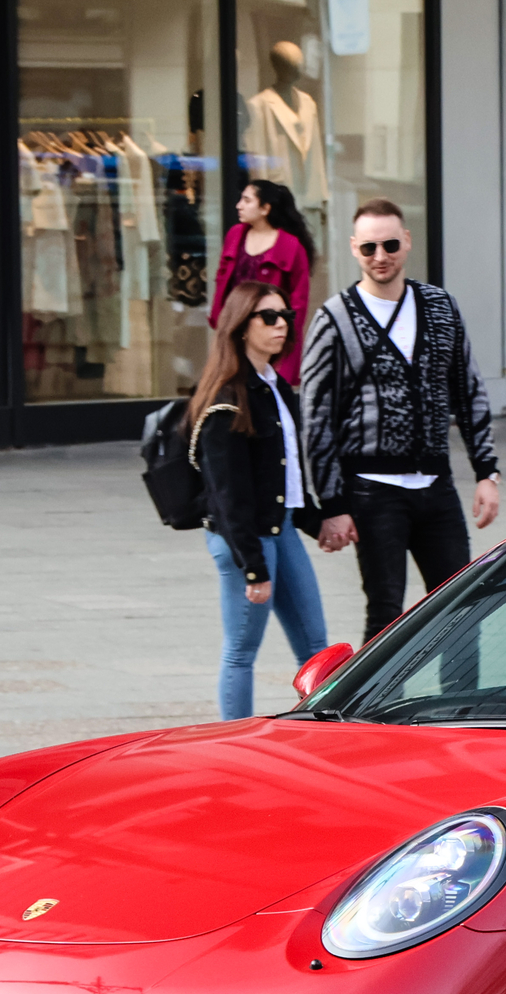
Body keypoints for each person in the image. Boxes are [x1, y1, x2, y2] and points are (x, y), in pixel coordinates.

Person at [299, 199, 502, 645]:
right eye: (369, 247)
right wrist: (332, 503)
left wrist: (486, 471)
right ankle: (372, 714)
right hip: (372, 492)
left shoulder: (439, 306)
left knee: (461, 610)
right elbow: (314, 418)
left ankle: (460, 712)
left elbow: (467, 389)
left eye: (390, 244)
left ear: (407, 242)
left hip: (436, 487)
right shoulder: (334, 319)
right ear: (354, 249)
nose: (380, 256)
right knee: (386, 612)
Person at [191, 281, 328, 720]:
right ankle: (232, 741)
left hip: (281, 529)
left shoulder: (276, 386)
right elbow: (228, 495)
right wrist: (253, 566)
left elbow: (284, 475)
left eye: (285, 316)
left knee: (316, 646)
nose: (281, 325)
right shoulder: (227, 397)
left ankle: (333, 735)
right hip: (246, 538)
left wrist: (320, 522)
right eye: (268, 317)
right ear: (241, 326)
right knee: (241, 652)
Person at [208, 178, 314, 386]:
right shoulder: (235, 235)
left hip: (269, 330)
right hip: (235, 327)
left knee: (265, 389)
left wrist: (285, 336)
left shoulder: (291, 247)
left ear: (265, 208)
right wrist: (220, 319)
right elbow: (222, 279)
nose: (239, 205)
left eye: (247, 200)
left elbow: (299, 302)